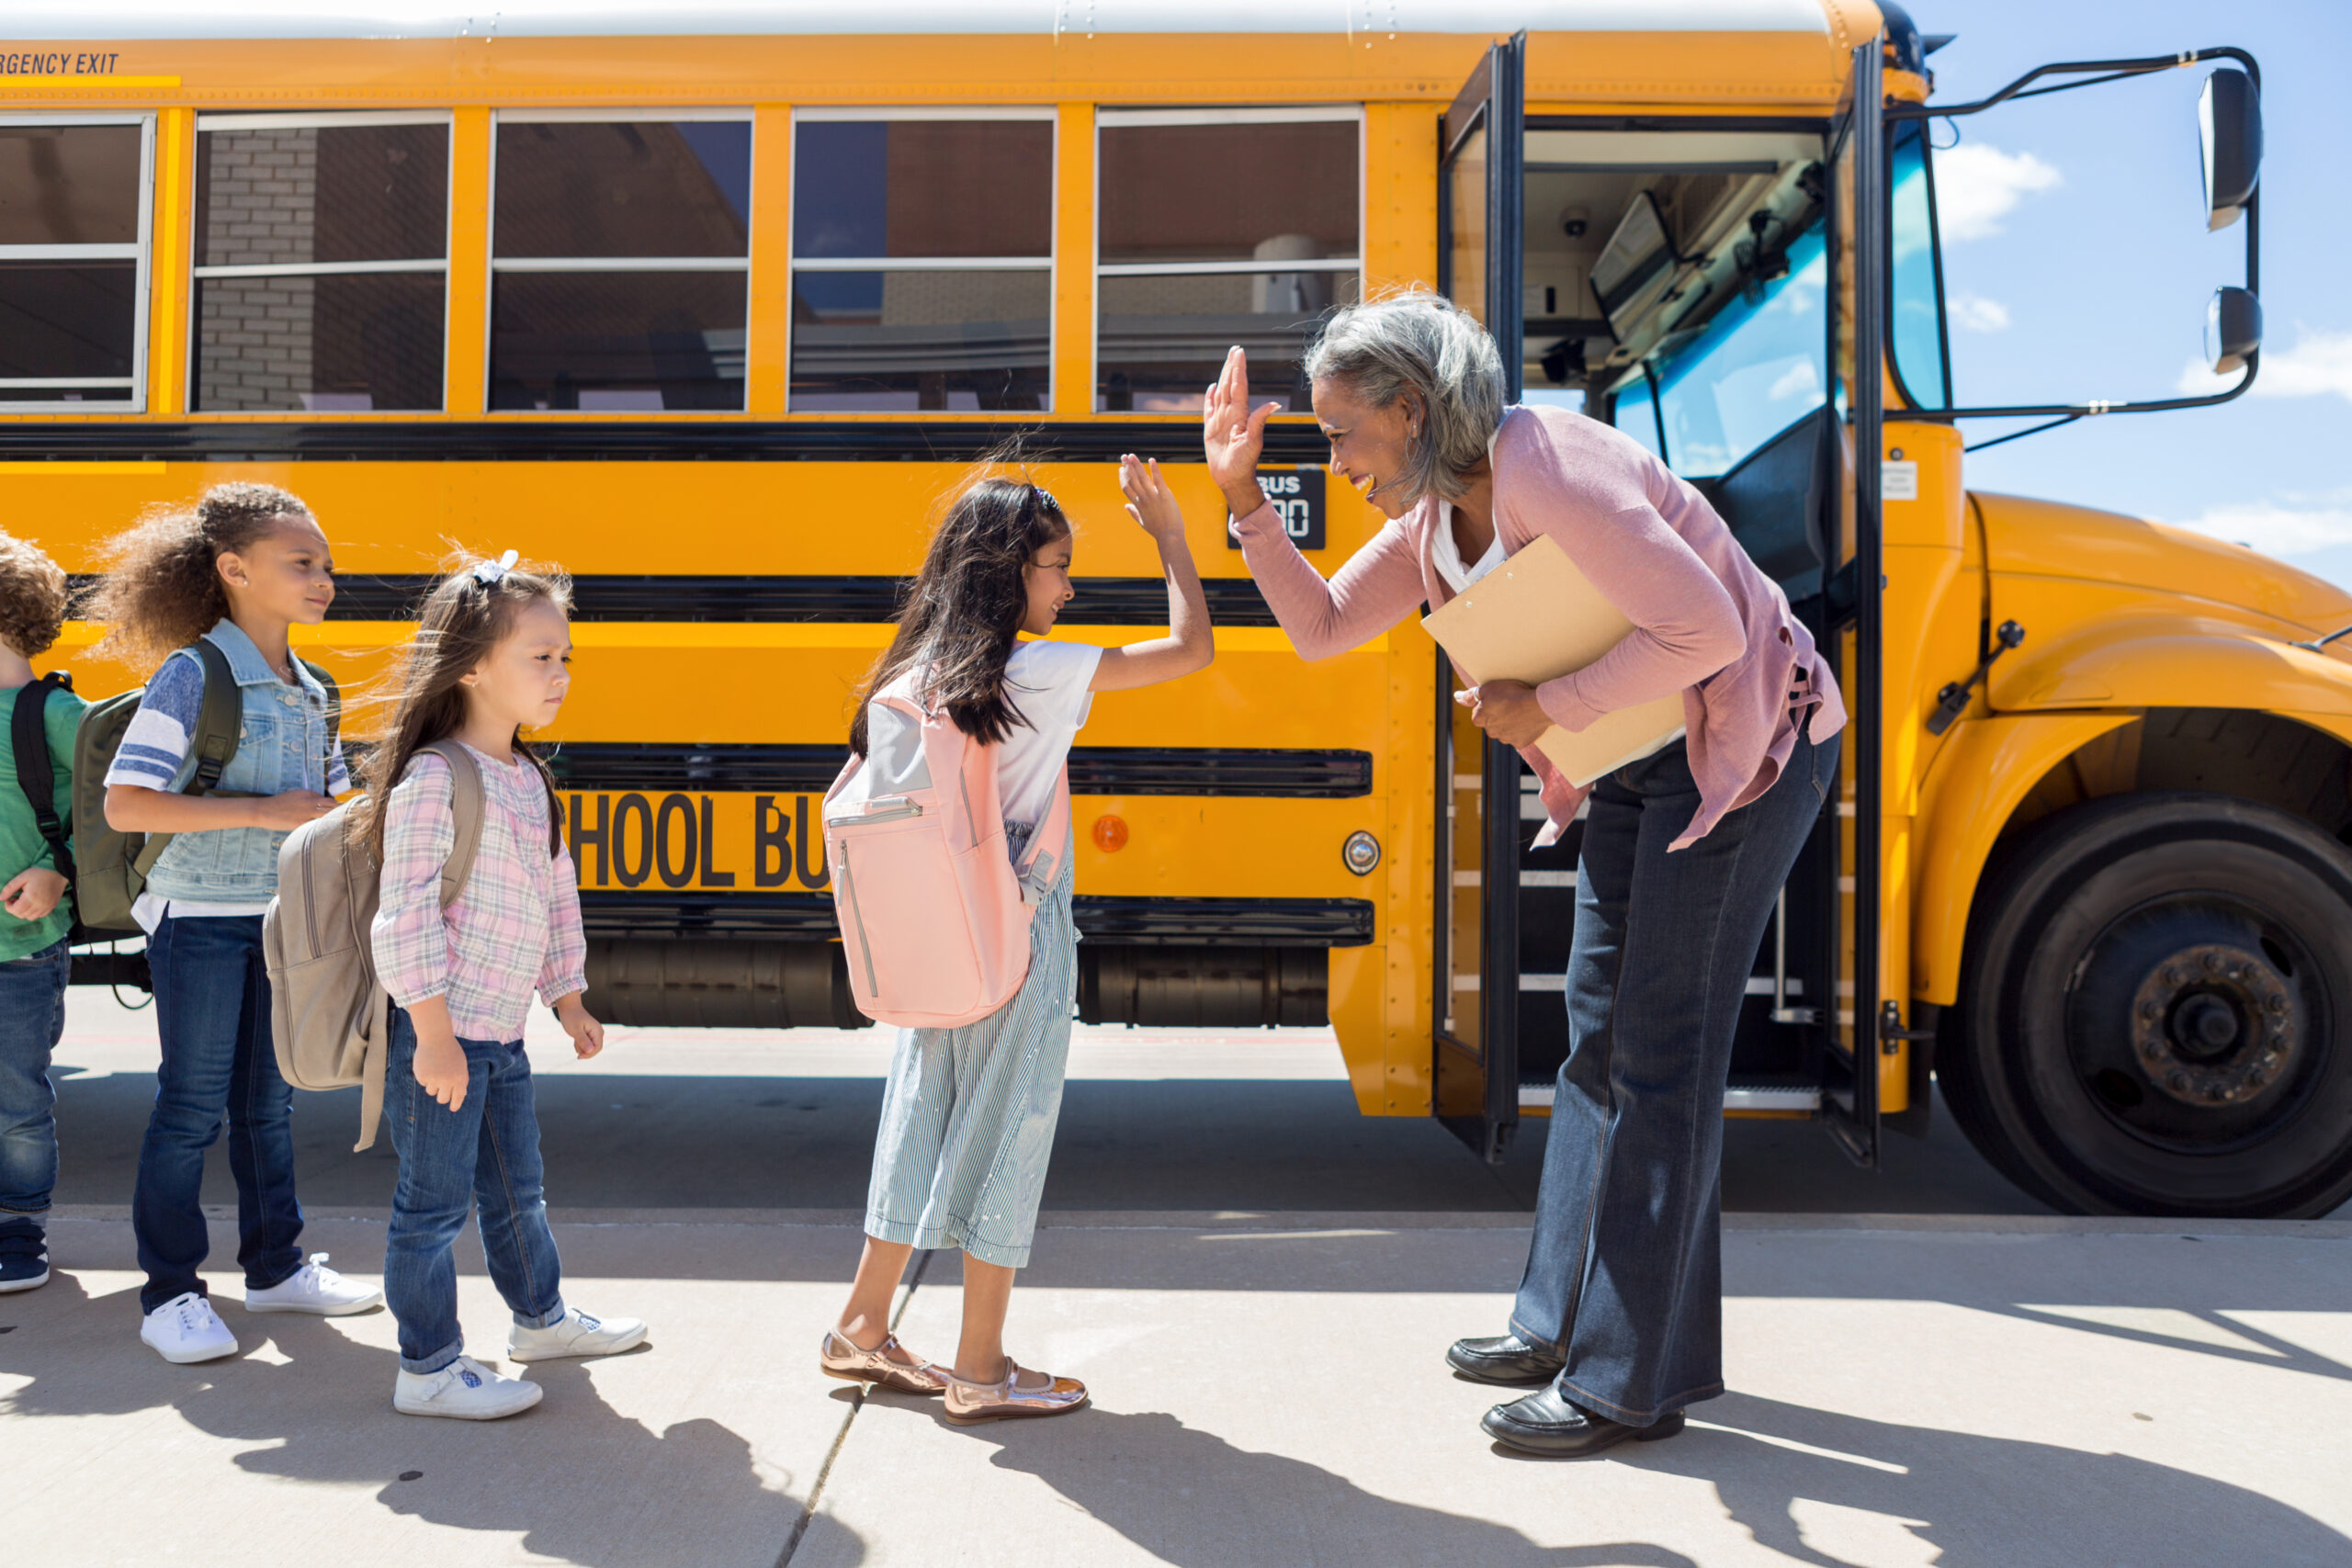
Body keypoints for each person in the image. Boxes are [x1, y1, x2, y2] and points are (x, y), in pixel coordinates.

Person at [1205, 293, 1845, 1458]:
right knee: (1596, 1038)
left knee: (1661, 1054)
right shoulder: (1436, 519)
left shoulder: (1546, 466)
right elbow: (1324, 626)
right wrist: (1243, 499)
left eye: (1342, 432)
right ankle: (1564, 1326)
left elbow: (1708, 633)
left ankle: (1623, 1385)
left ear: (1411, 408)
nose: (1333, 457)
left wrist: (1541, 708)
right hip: (1642, 754)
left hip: (1750, 749)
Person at [823, 455, 1212, 1424]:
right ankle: (980, 1366)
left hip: (929, 933)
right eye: (1057, 566)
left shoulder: (908, 679)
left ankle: (862, 1326)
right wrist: (1169, 534)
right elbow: (1189, 651)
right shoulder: (1034, 672)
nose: (1069, 587)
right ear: (1008, 571)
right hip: (1015, 931)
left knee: (920, 1115)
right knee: (1009, 1134)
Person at [93, 483, 382, 1363]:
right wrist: (265, 813)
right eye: (303, 563)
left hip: (280, 923)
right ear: (234, 569)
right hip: (202, 921)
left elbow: (322, 806)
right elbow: (125, 802)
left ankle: (275, 1268)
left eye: (327, 564)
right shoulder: (195, 674)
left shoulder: (313, 687)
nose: (323, 578)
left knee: (268, 1105)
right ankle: (171, 1293)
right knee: (190, 1106)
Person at [358, 550, 647, 1420]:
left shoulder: (529, 777)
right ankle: (429, 1366)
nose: (559, 674)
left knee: (517, 1189)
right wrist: (434, 1035)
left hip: (502, 1038)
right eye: (540, 657)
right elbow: (402, 917)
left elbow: (555, 896)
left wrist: (569, 997)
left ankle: (541, 1319)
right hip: (443, 1038)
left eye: (566, 657)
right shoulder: (435, 777)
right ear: (474, 666)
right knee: (433, 1208)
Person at [0, 531, 84, 1295]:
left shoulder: (53, 711)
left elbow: (113, 811)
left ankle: (19, 1229)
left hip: (22, 945)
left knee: (18, 1098)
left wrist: (58, 871)